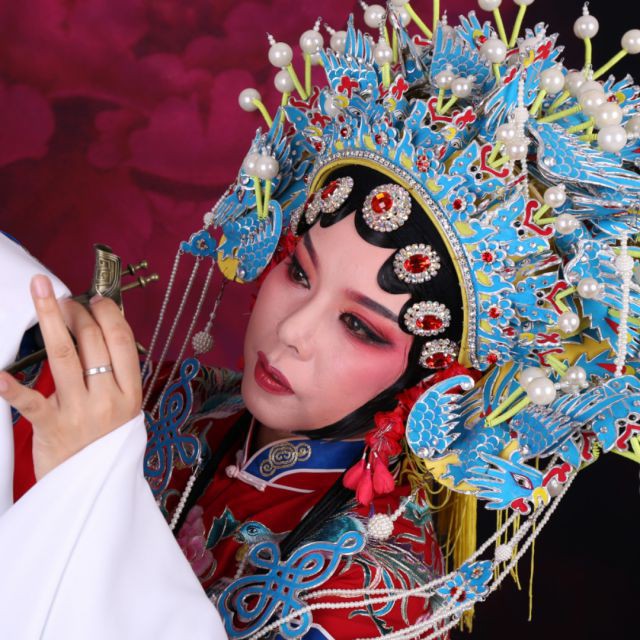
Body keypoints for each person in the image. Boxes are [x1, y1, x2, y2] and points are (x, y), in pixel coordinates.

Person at [2, 2, 640, 639]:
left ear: (436, 379)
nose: (292, 332)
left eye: (360, 327)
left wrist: (89, 481)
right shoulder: (172, 404)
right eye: (300, 273)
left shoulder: (373, 589)